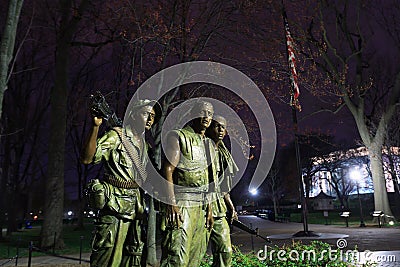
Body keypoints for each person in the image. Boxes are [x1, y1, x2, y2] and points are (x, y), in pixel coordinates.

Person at [81, 99, 160, 267]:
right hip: (114, 206)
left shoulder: (146, 146)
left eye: (153, 116)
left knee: (133, 257)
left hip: (136, 208)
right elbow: (88, 158)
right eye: (146, 114)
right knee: (108, 258)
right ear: (133, 115)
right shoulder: (117, 136)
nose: (150, 119)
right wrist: (95, 127)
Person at [160, 100, 216, 267]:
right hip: (183, 202)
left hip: (202, 206)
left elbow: (210, 180)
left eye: (210, 114)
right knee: (177, 256)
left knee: (195, 257)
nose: (207, 117)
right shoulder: (179, 136)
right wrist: (171, 203)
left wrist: (210, 209)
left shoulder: (209, 144)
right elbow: (168, 170)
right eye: (203, 112)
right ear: (193, 114)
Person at [205, 115, 239, 267]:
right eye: (217, 126)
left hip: (219, 208)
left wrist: (231, 207)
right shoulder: (201, 148)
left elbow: (223, 188)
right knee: (194, 252)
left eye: (223, 127)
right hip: (200, 206)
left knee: (225, 251)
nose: (220, 130)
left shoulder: (223, 153)